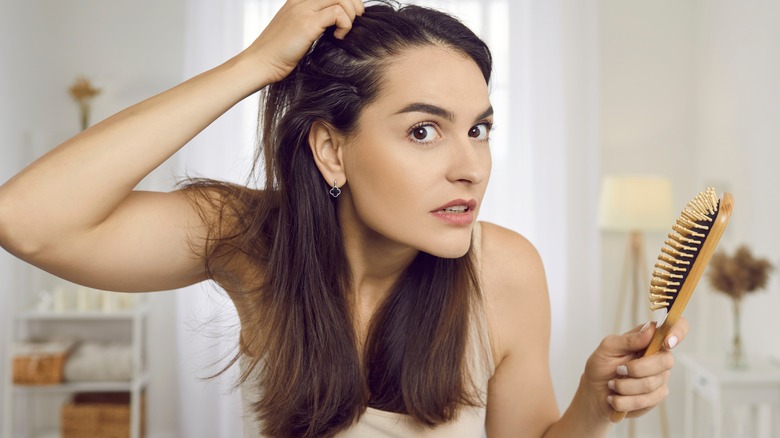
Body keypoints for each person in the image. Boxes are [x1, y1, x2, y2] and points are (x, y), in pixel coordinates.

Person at [0, 0, 688, 436]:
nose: (471, 166)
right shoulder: (249, 242)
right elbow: (28, 219)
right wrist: (255, 64)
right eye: (424, 131)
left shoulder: (505, 270)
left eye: (479, 129)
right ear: (331, 149)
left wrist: (594, 411)